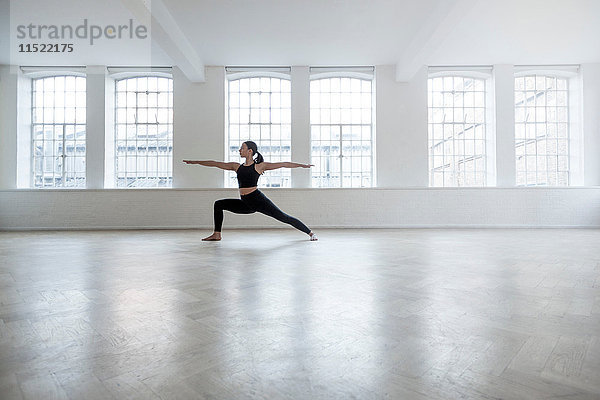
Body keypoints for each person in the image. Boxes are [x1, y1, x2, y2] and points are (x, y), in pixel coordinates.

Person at [183, 141, 318, 241]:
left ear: (250, 151)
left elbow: (284, 164)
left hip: (258, 200)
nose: (239, 150)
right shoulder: (236, 167)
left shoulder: (259, 166)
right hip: (246, 203)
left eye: (242, 148)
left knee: (283, 217)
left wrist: (302, 165)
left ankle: (310, 233)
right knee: (218, 204)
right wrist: (195, 162)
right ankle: (217, 234)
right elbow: (215, 163)